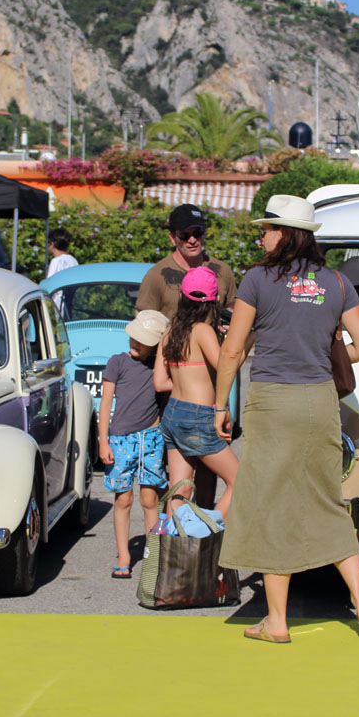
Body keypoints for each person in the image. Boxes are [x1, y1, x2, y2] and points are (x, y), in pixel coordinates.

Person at [213, 194, 359, 644]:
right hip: (320, 400)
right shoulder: (338, 283)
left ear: (285, 233)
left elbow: (233, 349)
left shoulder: (256, 281)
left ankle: (277, 621)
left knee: (270, 503)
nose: (261, 236)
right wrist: (319, 359)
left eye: (266, 228)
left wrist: (218, 406)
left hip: (272, 399)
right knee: (326, 498)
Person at [136, 204, 237, 509]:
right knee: (222, 478)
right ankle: (203, 534)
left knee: (188, 484)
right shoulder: (157, 275)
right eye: (186, 235)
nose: (193, 239)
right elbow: (144, 327)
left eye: (198, 233)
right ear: (173, 238)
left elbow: (232, 315)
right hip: (190, 399)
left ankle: (183, 550)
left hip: (188, 397)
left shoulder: (223, 271)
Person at [153, 267, 239, 519]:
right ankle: (202, 532)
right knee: (240, 482)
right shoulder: (203, 330)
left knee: (178, 492)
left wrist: (187, 378)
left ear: (182, 296)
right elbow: (226, 369)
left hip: (173, 414)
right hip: (198, 416)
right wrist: (244, 339)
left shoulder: (170, 331)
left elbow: (159, 382)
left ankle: (174, 551)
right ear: (213, 301)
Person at [98, 310, 170, 579]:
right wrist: (103, 440)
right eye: (134, 338)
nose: (135, 343)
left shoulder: (160, 367)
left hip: (151, 438)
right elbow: (106, 403)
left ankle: (153, 553)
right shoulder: (117, 362)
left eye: (143, 340)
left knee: (150, 499)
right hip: (121, 440)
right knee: (123, 499)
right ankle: (124, 554)